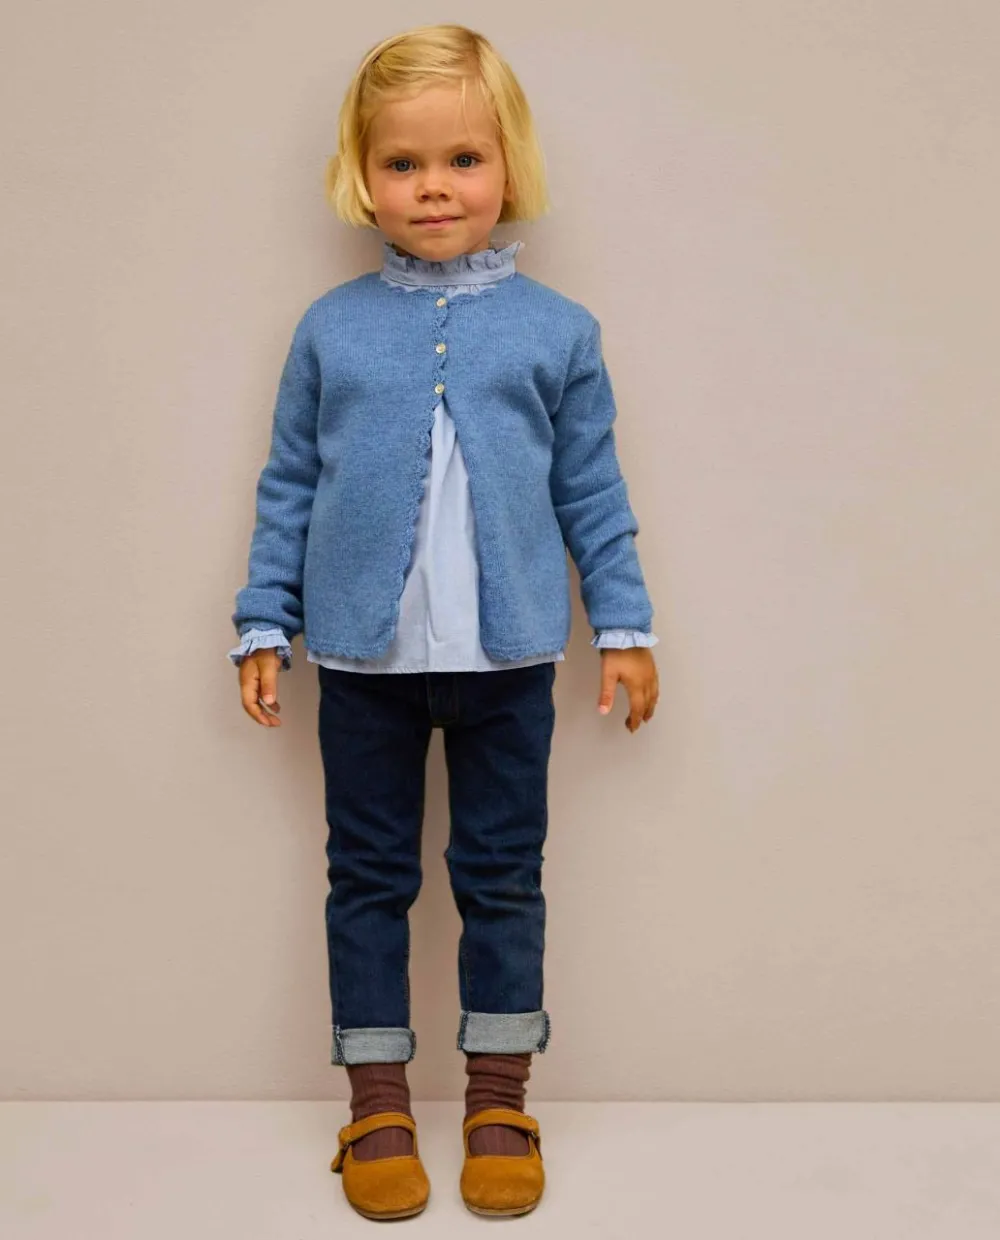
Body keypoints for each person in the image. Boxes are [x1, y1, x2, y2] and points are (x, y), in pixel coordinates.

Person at [227, 22, 659, 1221]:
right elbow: (288, 485)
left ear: (508, 167)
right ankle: (374, 1103)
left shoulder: (559, 331)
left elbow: (591, 490)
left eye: (463, 159)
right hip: (360, 664)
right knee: (365, 877)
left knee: (502, 878)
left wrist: (623, 624)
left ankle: (498, 1098)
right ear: (361, 176)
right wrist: (263, 620)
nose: (433, 187)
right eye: (404, 163)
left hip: (508, 664)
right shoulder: (330, 328)